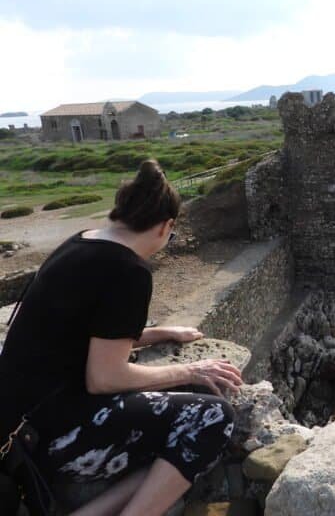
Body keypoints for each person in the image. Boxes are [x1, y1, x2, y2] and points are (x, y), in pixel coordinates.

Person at [0, 160, 243, 516]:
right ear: (166, 226)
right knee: (213, 417)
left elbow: (91, 333)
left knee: (174, 434)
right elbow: (104, 378)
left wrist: (160, 333)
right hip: (47, 440)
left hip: (17, 419)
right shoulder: (128, 270)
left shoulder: (80, 243)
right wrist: (192, 369)